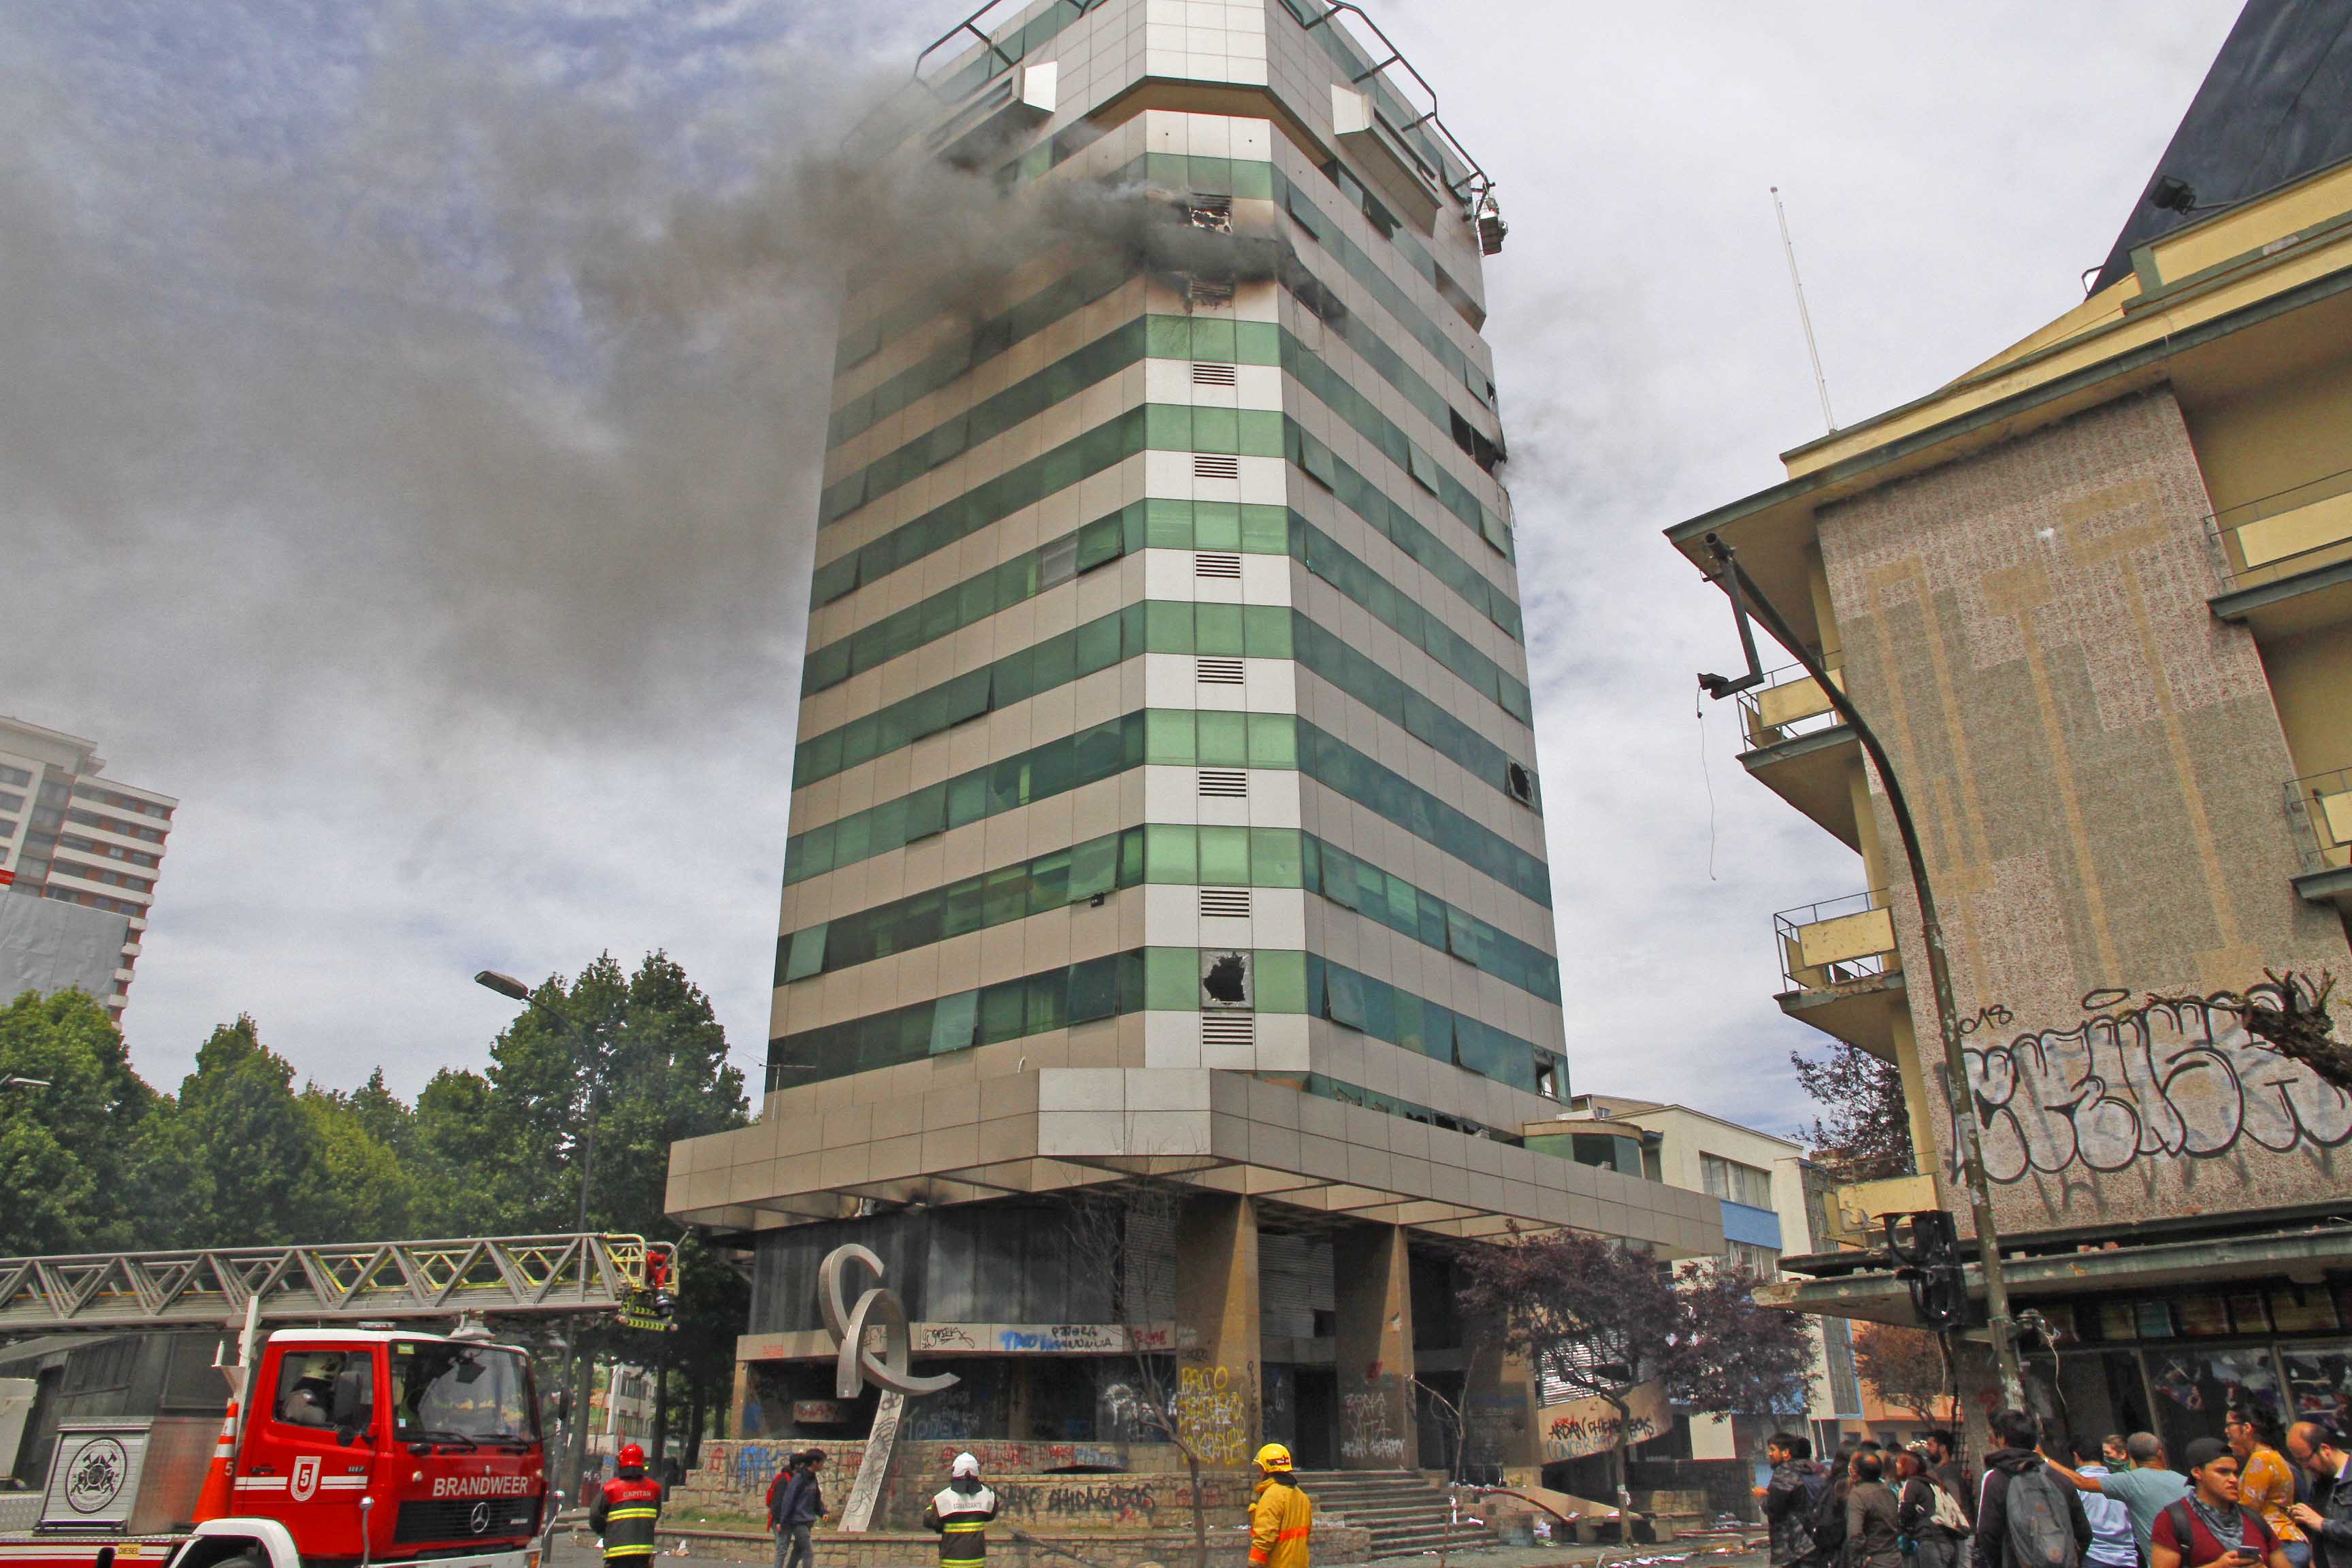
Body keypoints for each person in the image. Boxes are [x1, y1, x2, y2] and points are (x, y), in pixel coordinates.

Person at [2048, 1431, 2191, 1566]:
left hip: (2097, 1558)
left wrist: (2044, 1459)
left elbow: (2082, 1483)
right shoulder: (2185, 1483)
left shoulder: (2127, 1483)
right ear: (2161, 1453)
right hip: (2131, 1559)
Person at [2150, 1437, 2294, 1568]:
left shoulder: (2253, 1518)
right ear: (2197, 1472)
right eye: (2223, 1472)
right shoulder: (2173, 1519)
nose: (2233, 1480)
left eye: (2235, 1473)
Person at [1976, 1408, 2091, 1568]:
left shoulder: (1996, 1480)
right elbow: (2085, 1533)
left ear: (2002, 1439)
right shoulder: (2059, 1479)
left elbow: (1988, 1534)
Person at [2232, 1411, 2310, 1568]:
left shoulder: (2261, 1458)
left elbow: (2248, 1508)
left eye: (2230, 1425)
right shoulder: (2274, 1456)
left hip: (2279, 1541)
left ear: (2247, 1428)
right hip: (2289, 1539)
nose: (2227, 1431)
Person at [2062, 1432, 2138, 1568]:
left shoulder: (2074, 1487)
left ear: (2076, 1456)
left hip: (2094, 1558)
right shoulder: (2122, 1484)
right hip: (2128, 1559)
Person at [2285, 1422, 2352, 1568]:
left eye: (2305, 1459)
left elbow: (2320, 1523)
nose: (2304, 1466)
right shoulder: (2321, 1480)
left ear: (2325, 1449)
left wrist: (2322, 1523)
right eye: (2298, 1461)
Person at [1759, 1431, 1827, 1568]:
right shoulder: (1819, 1471)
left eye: (1773, 1450)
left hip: (1792, 1546)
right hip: (1817, 1540)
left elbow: (1774, 1508)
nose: (1770, 1454)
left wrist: (1764, 1496)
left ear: (1786, 1452)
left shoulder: (1785, 1472)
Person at [589, 1442, 663, 1566]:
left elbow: (594, 1516)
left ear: (621, 1465)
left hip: (616, 1554)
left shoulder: (610, 1489)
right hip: (643, 1554)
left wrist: (607, 1532)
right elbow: (656, 1515)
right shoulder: (654, 1489)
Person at [1899, 1447, 1972, 1568]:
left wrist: (1904, 1528)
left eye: (1899, 1462)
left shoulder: (1912, 1483)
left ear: (1907, 1466)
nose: (1896, 1465)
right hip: (1949, 1540)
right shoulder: (1934, 1482)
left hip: (1931, 1542)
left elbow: (1905, 1513)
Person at [924, 1453, 1000, 1568]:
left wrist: (932, 1506)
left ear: (954, 1471)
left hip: (951, 1563)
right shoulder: (987, 1495)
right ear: (977, 1470)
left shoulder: (943, 1498)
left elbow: (929, 1521)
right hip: (977, 1563)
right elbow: (991, 1515)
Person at [1247, 1443, 1313, 1568]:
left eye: (1261, 1469)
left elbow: (1264, 1537)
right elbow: (1307, 1531)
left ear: (1268, 1469)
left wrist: (1253, 1564)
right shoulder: (1302, 1496)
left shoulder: (1272, 1496)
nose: (1260, 1474)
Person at [768, 1450, 825, 1568]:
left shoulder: (812, 1478)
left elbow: (816, 1499)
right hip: (798, 1521)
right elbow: (787, 1501)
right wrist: (782, 1521)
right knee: (807, 1552)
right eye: (822, 1462)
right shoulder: (798, 1479)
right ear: (814, 1462)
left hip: (808, 1520)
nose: (823, 1465)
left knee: (797, 1552)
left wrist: (822, 1512)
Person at [1849, 1452, 1906, 1568]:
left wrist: (1860, 1559)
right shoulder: (1889, 1491)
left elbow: (1854, 1533)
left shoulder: (1858, 1494)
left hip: (1874, 1558)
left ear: (1859, 1471)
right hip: (1895, 1556)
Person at [1927, 1433, 1978, 1529]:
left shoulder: (1948, 1471)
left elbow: (1955, 1502)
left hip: (1959, 1529)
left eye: (1931, 1445)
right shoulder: (1942, 1470)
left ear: (1943, 1448)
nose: (1928, 1449)